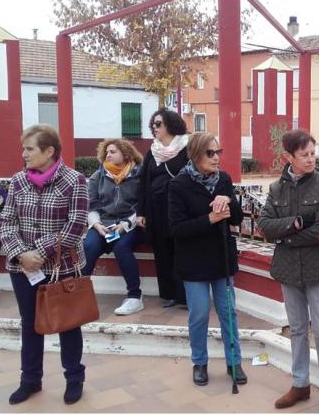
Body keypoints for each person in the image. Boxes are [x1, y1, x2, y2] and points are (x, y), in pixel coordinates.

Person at [0, 124, 89, 405]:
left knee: (68, 325)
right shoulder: (17, 181)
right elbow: (6, 221)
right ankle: (30, 380)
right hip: (23, 268)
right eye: (23, 148)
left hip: (61, 267)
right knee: (30, 325)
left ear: (49, 151)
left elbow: (76, 225)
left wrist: (39, 252)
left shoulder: (75, 181)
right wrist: (21, 254)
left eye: (29, 149)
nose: (23, 154)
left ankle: (74, 379)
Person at [258, 129, 319, 413]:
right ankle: (300, 384)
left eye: (313, 154)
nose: (311, 160)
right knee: (296, 329)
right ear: (289, 157)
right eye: (304, 155)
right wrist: (293, 224)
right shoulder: (276, 189)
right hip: (288, 270)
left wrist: (286, 236)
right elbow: (264, 227)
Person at [168, 133, 247, 387]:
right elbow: (176, 229)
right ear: (195, 154)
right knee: (199, 314)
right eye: (210, 153)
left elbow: (235, 218)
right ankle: (199, 362)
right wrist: (209, 220)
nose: (216, 158)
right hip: (193, 262)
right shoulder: (179, 185)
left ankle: (234, 362)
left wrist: (229, 201)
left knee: (228, 313)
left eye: (218, 152)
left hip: (221, 258)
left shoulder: (223, 179)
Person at [83, 139, 145, 315]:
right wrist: (96, 224)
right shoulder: (98, 176)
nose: (108, 155)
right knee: (89, 246)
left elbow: (143, 205)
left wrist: (124, 225)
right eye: (107, 152)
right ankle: (79, 294)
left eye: (112, 152)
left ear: (125, 154)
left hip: (130, 225)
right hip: (104, 224)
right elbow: (91, 205)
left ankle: (134, 297)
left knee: (121, 246)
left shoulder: (139, 175)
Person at [136, 107, 189, 308]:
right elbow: (143, 182)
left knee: (181, 252)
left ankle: (183, 297)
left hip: (178, 210)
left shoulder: (186, 148)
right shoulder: (153, 151)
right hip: (156, 210)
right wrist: (141, 211)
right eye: (153, 124)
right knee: (162, 253)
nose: (154, 128)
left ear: (171, 125)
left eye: (158, 124)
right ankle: (168, 295)